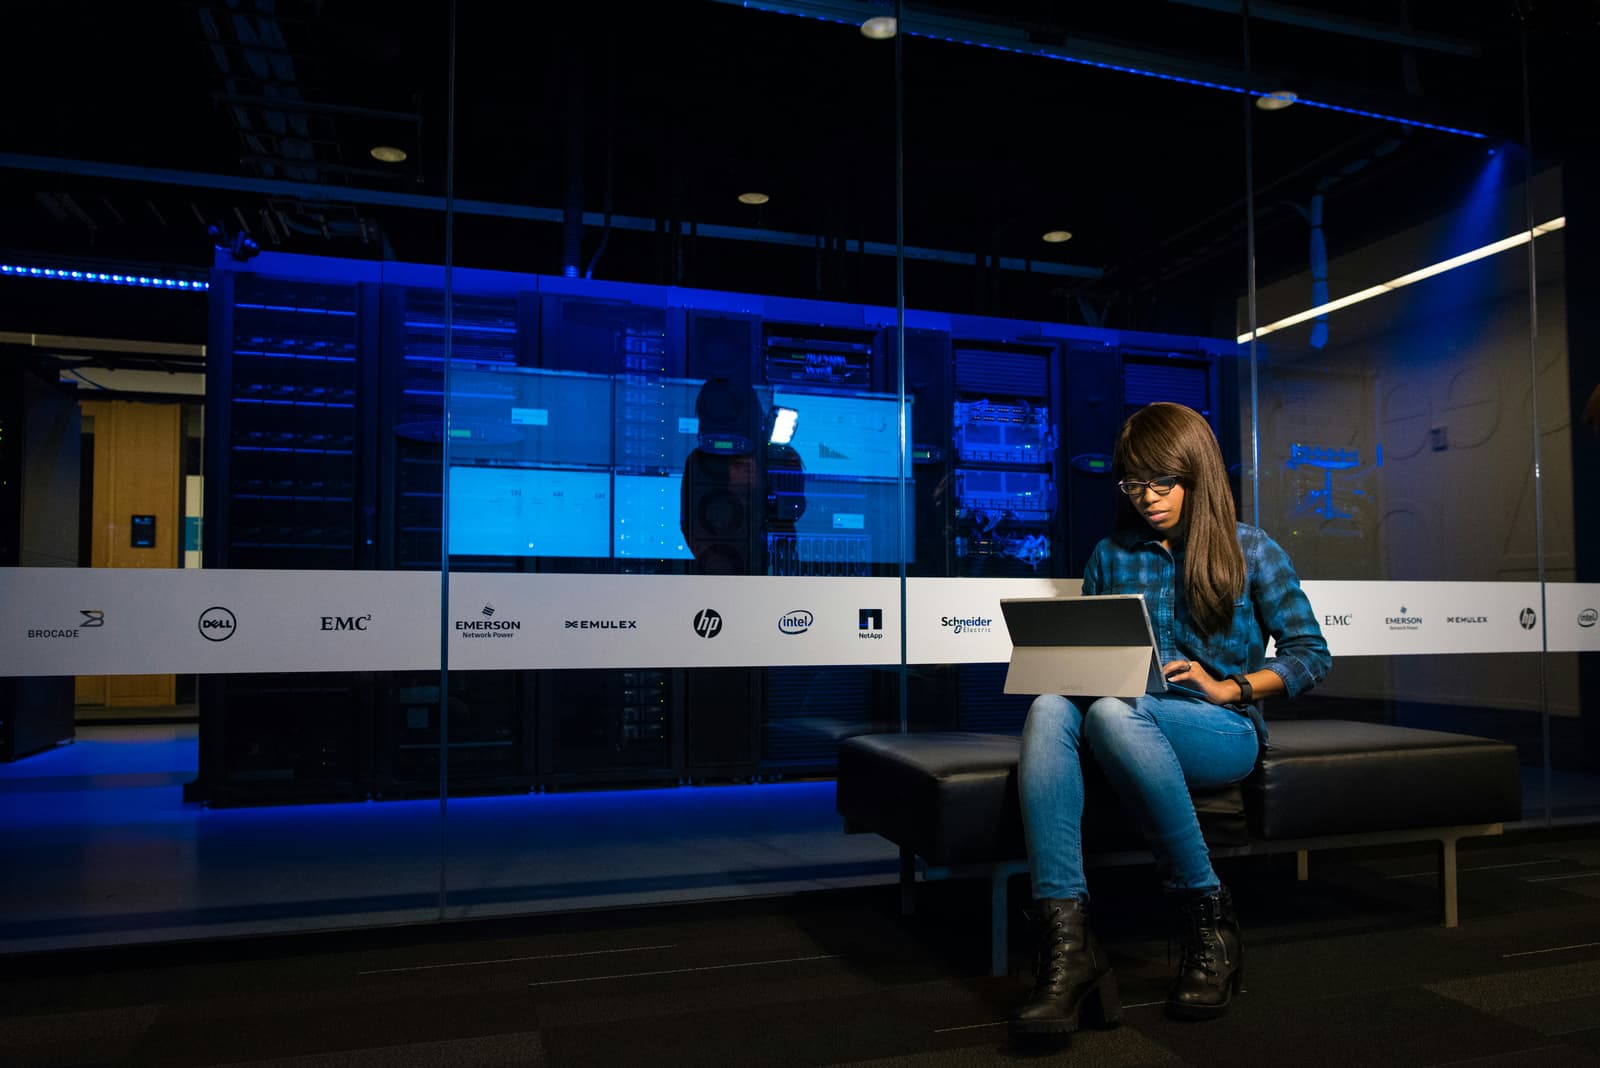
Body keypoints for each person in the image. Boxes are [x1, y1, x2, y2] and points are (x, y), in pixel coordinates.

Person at [1010, 401, 1330, 1038]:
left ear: (1196, 475)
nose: (1147, 497)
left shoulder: (1251, 549)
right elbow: (1097, 661)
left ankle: (1206, 920)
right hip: (1121, 717)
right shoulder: (1111, 554)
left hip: (1220, 729)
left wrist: (1228, 686)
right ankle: (1068, 951)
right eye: (1133, 483)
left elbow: (1310, 655)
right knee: (1052, 703)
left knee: (1111, 713)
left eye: (1163, 481)